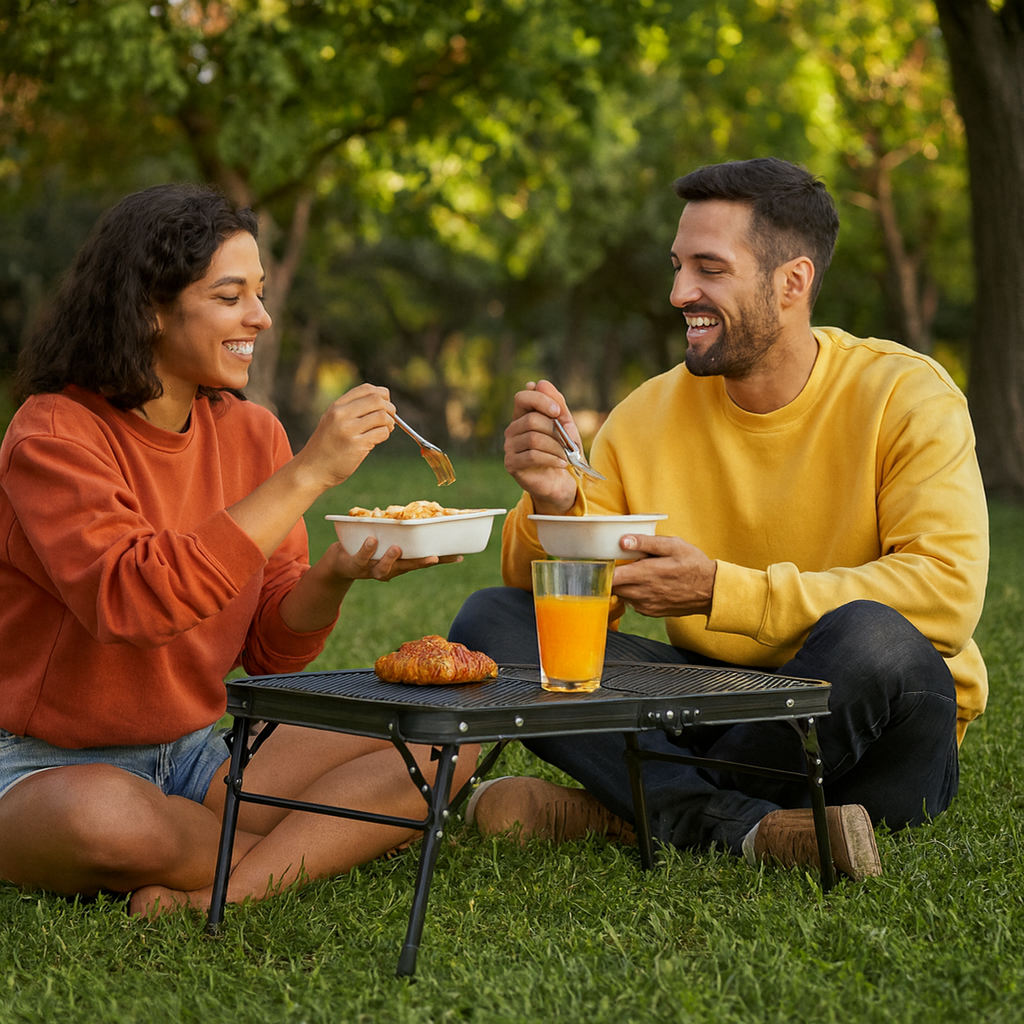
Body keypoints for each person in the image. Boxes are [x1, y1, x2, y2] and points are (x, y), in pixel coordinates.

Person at [448, 157, 989, 881]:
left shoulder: (906, 394)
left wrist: (719, 592)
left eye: (709, 268)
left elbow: (947, 595)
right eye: (677, 266)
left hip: (872, 734)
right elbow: (561, 610)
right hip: (711, 702)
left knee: (876, 638)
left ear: (792, 282)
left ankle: (629, 810)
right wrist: (553, 502)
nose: (679, 293)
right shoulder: (646, 414)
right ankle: (731, 823)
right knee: (494, 621)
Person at [0, 183, 478, 916]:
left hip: (198, 756)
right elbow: (133, 598)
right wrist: (310, 473)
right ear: (150, 309)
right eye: (231, 297)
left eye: (258, 292)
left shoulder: (254, 434)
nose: (261, 316)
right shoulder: (54, 434)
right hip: (45, 766)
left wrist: (336, 573)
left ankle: (226, 887)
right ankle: (302, 844)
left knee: (446, 745)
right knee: (107, 820)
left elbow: (270, 646)